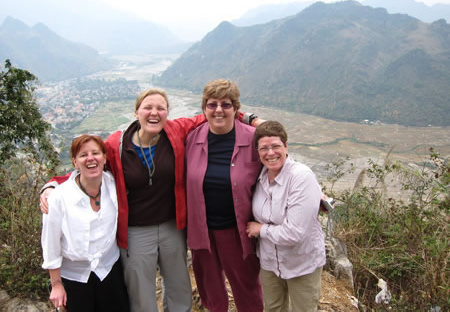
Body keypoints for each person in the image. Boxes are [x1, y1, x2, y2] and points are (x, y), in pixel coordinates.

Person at [40, 88, 258, 312]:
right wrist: (54, 183)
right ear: (137, 112)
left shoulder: (175, 131)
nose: (154, 113)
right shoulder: (118, 144)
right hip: (136, 230)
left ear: (167, 113)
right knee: (142, 293)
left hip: (172, 226)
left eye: (160, 108)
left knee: (178, 288)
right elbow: (90, 161)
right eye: (148, 108)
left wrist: (249, 118)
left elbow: (213, 112)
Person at [185, 79, 264, 312]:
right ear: (204, 108)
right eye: (212, 104)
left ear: (236, 108)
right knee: (210, 290)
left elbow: (280, 164)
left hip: (237, 231)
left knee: (246, 288)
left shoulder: (253, 139)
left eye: (226, 104)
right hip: (203, 231)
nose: (218, 110)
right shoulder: (192, 139)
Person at [41, 134, 129, 311]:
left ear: (104, 158)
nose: (90, 158)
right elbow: (51, 243)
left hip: (109, 269)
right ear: (75, 162)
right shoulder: (59, 198)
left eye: (95, 153)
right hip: (75, 277)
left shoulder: (113, 184)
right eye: (83, 155)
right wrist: (56, 284)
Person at [246, 121, 326, 312]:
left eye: (276, 146)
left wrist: (260, 229)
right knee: (273, 308)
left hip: (301, 262)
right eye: (264, 148)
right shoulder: (260, 176)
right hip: (269, 262)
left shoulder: (301, 177)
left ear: (286, 146)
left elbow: (294, 233)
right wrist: (250, 118)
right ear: (257, 151)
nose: (270, 153)